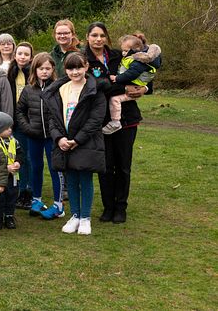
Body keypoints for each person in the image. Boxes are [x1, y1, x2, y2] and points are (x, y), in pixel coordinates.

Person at [84, 22, 147, 224]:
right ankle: (108, 207)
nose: (98, 39)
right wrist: (122, 86)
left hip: (127, 119)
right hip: (100, 121)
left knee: (123, 166)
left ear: (107, 38)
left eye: (102, 35)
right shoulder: (83, 60)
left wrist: (144, 89)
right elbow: (93, 87)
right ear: (87, 37)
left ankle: (121, 207)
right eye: (94, 35)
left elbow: (144, 74)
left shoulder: (120, 55)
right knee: (105, 166)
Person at [43, 52, 106, 235]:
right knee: (70, 180)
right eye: (70, 68)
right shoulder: (60, 89)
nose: (75, 71)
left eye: (78, 67)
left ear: (86, 67)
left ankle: (85, 218)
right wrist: (59, 138)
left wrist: (78, 140)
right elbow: (52, 118)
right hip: (64, 141)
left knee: (85, 179)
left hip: (86, 141)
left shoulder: (95, 90)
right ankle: (75, 215)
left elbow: (96, 119)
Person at [15, 52, 65, 219]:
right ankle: (36, 200)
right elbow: (20, 110)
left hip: (53, 137)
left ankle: (58, 205)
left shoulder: (59, 88)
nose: (44, 71)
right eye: (41, 68)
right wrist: (27, 128)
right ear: (35, 70)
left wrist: (57, 131)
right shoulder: (28, 90)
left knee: (54, 168)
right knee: (35, 167)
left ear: (53, 69)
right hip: (33, 135)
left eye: (48, 68)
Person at [102, 34, 161, 135]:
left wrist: (144, 88)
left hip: (129, 118)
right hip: (102, 115)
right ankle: (115, 122)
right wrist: (125, 87)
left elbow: (143, 79)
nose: (123, 53)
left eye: (125, 50)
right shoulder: (120, 55)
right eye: (123, 50)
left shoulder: (136, 60)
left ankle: (115, 122)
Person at [7, 42, 33, 209]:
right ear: (15, 55)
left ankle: (30, 191)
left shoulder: (33, 72)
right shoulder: (10, 73)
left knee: (31, 157)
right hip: (15, 119)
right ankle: (21, 190)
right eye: (20, 53)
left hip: (31, 119)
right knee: (20, 156)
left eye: (26, 54)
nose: (22, 57)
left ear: (31, 57)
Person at [0, 110, 22, 229]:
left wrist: (18, 162)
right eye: (6, 128)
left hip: (13, 175)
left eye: (10, 127)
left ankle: (9, 216)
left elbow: (19, 153)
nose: (10, 130)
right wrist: (4, 168)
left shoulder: (14, 141)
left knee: (12, 196)